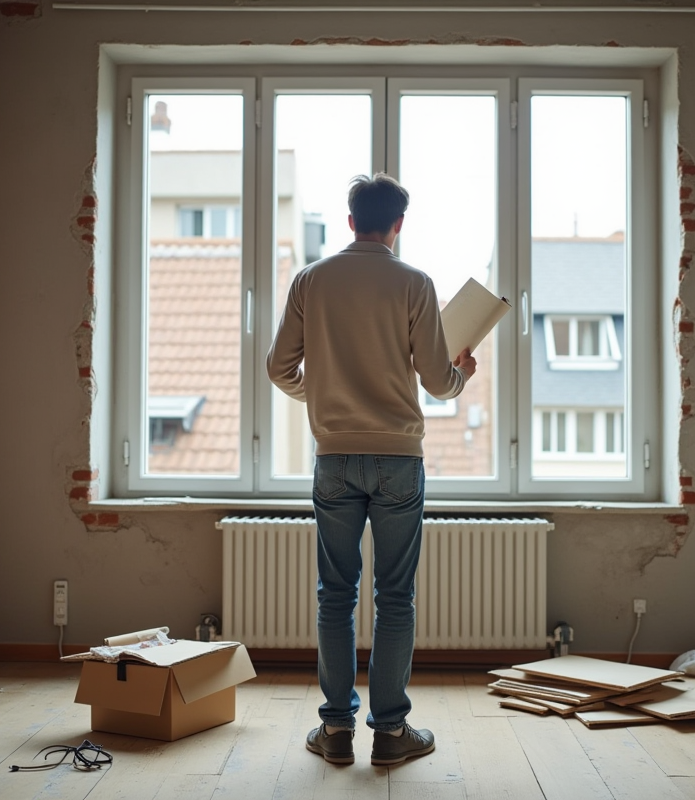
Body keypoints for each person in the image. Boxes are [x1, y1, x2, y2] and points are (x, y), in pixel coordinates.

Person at [266, 173, 476, 766]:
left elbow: (279, 369)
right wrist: (464, 373)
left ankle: (334, 734)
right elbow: (439, 383)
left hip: (333, 456)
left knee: (335, 595)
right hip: (399, 460)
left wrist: (323, 396)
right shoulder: (414, 283)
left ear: (350, 219)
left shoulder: (311, 280)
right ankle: (390, 734)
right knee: (396, 597)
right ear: (398, 225)